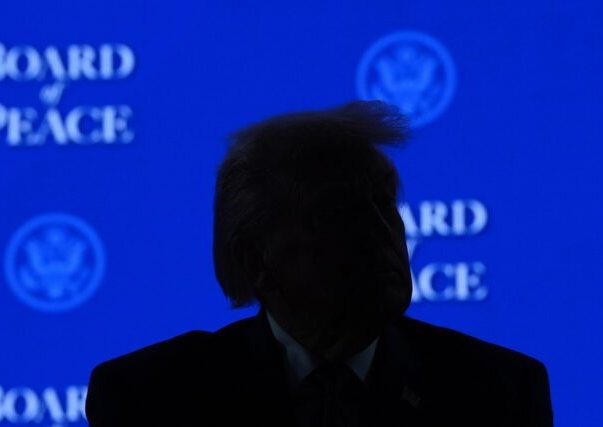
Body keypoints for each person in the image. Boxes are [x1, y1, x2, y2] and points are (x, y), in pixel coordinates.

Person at [85, 101, 554, 426]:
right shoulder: (149, 399)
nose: (380, 230)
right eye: (339, 212)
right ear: (256, 258)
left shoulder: (499, 393)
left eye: (384, 204)